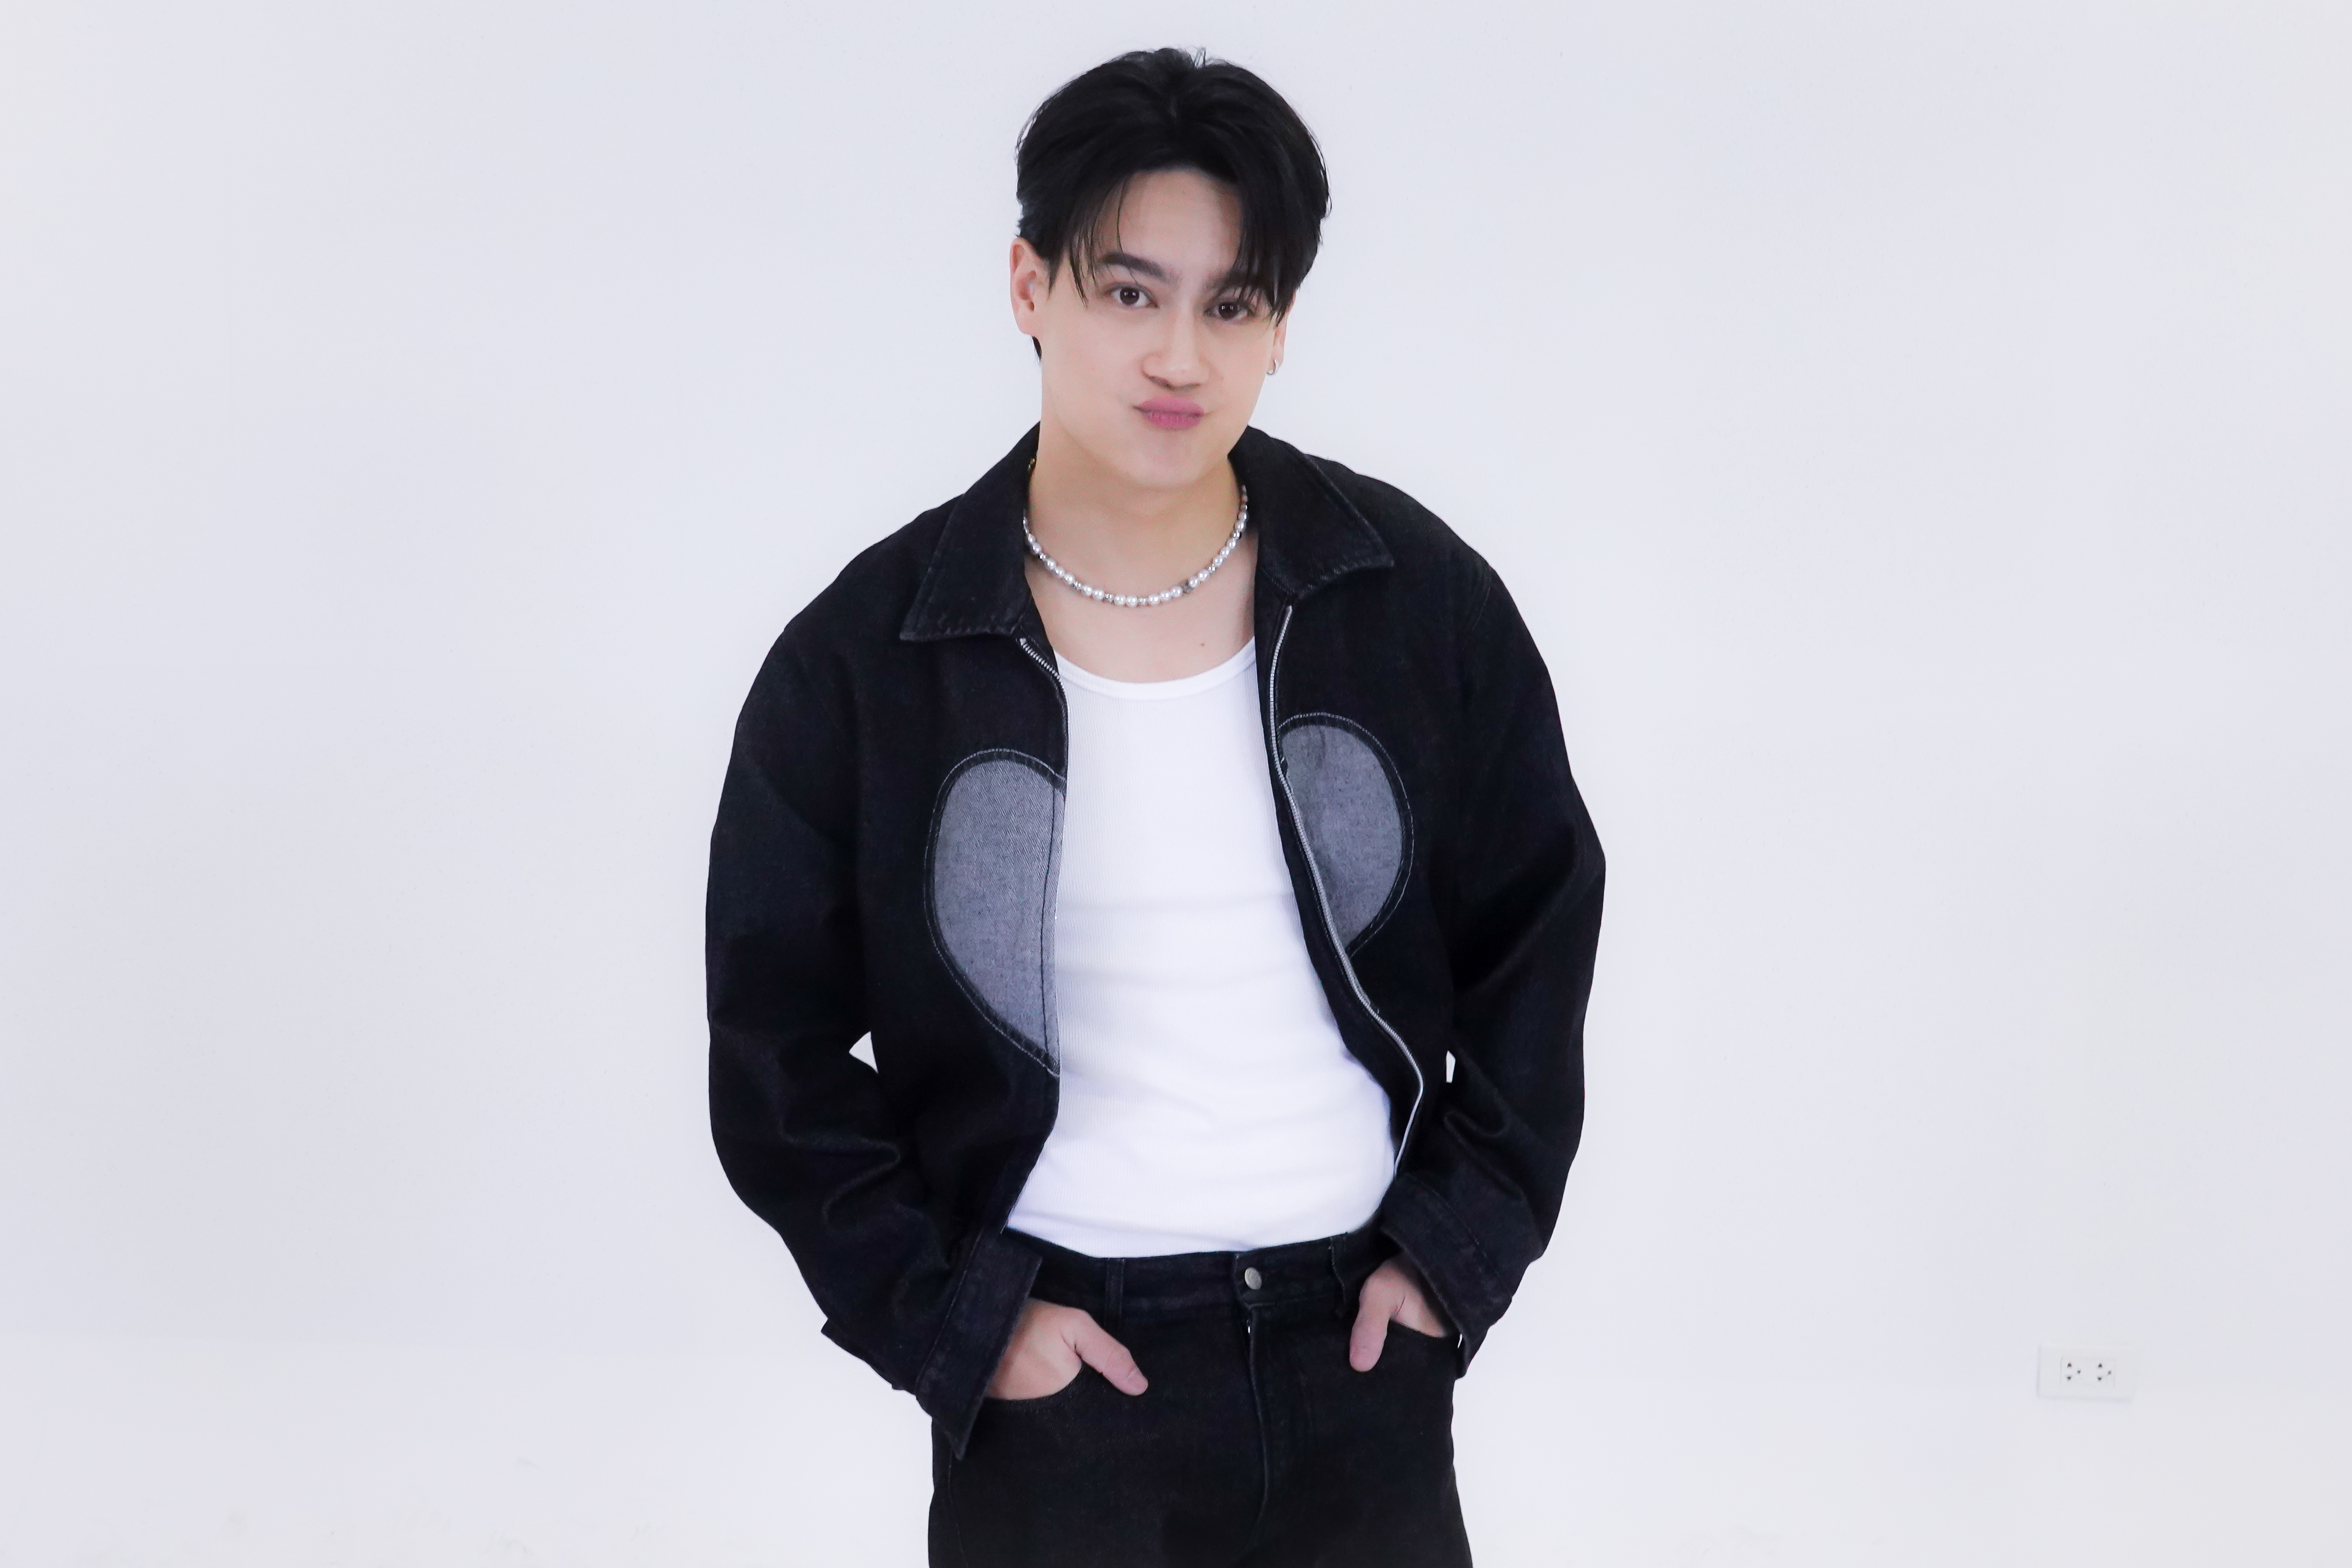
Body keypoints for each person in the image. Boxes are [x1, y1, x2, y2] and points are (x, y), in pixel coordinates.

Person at [707, 46, 1604, 1568]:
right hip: (1062, 1394)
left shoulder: (1410, 600)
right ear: (1028, 287)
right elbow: (772, 1046)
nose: (1180, 355)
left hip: (1362, 1365)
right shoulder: (873, 656)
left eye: (1230, 306)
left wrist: (1454, 1255)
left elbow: (1539, 928)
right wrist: (958, 1321)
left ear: (1279, 330)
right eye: (1130, 292)